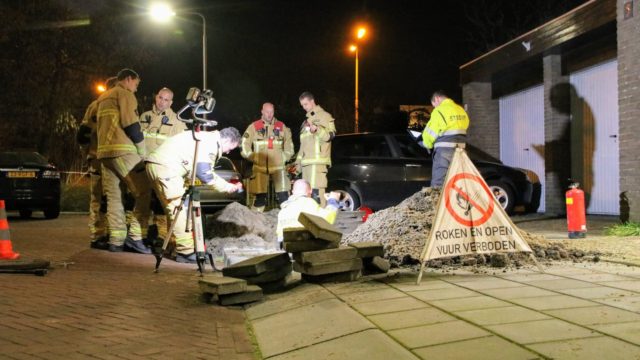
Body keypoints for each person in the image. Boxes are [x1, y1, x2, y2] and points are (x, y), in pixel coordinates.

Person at [146, 127, 244, 263]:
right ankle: (185, 252)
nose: (228, 152)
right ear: (226, 140)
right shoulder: (210, 142)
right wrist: (228, 187)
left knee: (173, 210)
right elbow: (205, 173)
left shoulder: (205, 138)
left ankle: (174, 245)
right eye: (230, 148)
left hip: (159, 165)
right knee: (182, 210)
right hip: (166, 168)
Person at [96, 68, 151, 254]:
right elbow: (132, 125)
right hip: (123, 151)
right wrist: (142, 150)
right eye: (136, 84)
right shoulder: (125, 94)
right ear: (128, 79)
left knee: (114, 197)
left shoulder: (103, 98)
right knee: (144, 192)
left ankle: (116, 240)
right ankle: (135, 237)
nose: (135, 89)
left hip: (104, 154)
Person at [139, 87, 187, 238]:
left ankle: (161, 238)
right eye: (160, 97)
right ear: (156, 97)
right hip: (142, 167)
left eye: (166, 100)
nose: (162, 102)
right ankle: (142, 236)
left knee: (162, 205)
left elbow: (183, 145)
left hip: (162, 170)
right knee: (142, 203)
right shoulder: (144, 116)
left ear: (171, 102)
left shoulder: (177, 121)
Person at [77, 76, 116, 250]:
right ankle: (98, 235)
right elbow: (84, 134)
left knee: (110, 199)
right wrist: (89, 155)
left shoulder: (114, 105)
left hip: (110, 160)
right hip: (101, 160)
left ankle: (106, 233)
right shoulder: (98, 106)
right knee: (100, 199)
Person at [240, 102, 294, 211]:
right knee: (260, 198)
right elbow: (244, 144)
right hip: (259, 168)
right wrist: (252, 157)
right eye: (267, 112)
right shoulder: (254, 127)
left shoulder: (281, 126)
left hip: (279, 168)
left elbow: (289, 145)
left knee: (284, 197)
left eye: (271, 112)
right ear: (262, 112)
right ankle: (256, 222)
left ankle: (289, 221)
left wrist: (285, 157)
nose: (269, 114)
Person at [421, 91, 469, 188]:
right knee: (458, 182)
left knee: (438, 184)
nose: (435, 107)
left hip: (444, 152)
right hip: (461, 151)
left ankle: (438, 203)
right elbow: (465, 125)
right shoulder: (460, 109)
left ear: (437, 99)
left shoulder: (439, 111)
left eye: (434, 105)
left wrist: (426, 144)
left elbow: (430, 132)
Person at [296, 91, 336, 207]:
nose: (304, 107)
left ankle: (322, 221)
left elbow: (330, 136)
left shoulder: (325, 116)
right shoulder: (305, 122)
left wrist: (317, 129)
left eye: (306, 104)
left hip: (318, 164)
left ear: (312, 101)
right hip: (306, 165)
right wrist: (297, 165)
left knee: (317, 195)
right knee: (307, 196)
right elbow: (302, 146)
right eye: (302, 105)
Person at [276, 179, 340, 245]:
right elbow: (327, 220)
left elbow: (279, 235)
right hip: (304, 244)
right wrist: (333, 200)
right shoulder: (308, 203)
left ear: (292, 191)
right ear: (310, 191)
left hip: (288, 246)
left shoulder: (284, 209)